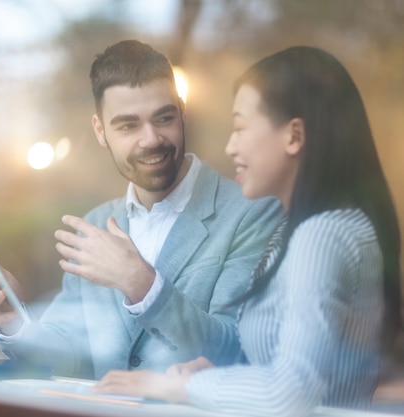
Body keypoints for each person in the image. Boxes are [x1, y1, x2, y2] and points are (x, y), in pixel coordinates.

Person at [94, 46, 403, 416]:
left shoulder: (322, 235)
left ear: (293, 136)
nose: (230, 147)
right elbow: (299, 366)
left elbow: (291, 392)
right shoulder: (314, 229)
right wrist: (217, 372)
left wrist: (174, 385)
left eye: (240, 128)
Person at [0, 39, 283, 379]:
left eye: (164, 118)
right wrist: (12, 321)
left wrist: (142, 284)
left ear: (182, 112)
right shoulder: (95, 225)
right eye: (128, 125)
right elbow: (72, 355)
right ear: (100, 131)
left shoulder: (253, 214)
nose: (151, 138)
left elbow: (238, 352)